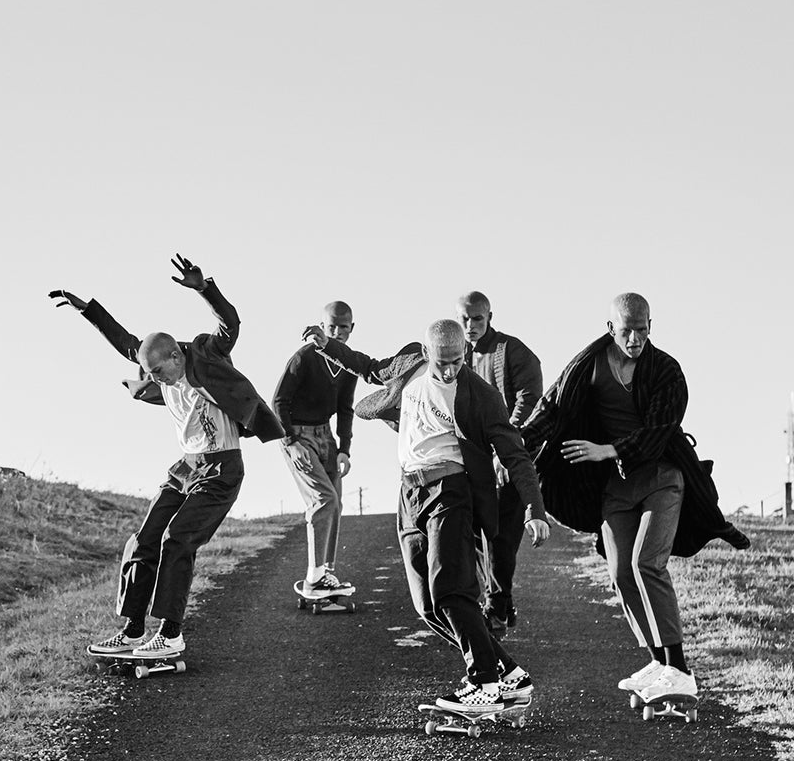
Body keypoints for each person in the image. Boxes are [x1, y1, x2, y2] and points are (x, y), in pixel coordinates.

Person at [49, 255, 285, 664]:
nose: (156, 380)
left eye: (160, 371)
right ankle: (132, 630)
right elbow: (126, 340)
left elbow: (231, 324)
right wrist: (88, 310)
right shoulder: (154, 363)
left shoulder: (208, 355)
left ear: (176, 356)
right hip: (186, 467)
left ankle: (170, 634)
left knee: (178, 539)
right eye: (150, 373)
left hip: (221, 468)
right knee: (144, 538)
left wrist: (204, 288)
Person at [520, 293, 749, 710]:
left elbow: (662, 428)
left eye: (643, 329)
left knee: (647, 562)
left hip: (662, 478)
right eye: (627, 330)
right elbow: (551, 409)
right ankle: (658, 663)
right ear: (611, 329)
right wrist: (517, 449)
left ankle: (679, 670)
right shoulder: (585, 366)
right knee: (621, 572)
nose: (636, 338)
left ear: (650, 325)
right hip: (615, 488)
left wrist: (607, 450)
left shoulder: (666, 370)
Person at [319, 320, 550, 714]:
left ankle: (484, 682)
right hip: (409, 491)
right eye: (442, 363)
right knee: (428, 605)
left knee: (451, 588)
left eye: (457, 362)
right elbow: (369, 367)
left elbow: (515, 453)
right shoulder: (410, 364)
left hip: (451, 491)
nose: (449, 371)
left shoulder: (481, 394)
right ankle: (509, 675)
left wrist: (534, 509)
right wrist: (328, 346)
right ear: (427, 354)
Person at [457, 291, 545, 636]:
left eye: (477, 318)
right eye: (464, 319)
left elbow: (529, 395)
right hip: (473, 461)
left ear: (489, 316)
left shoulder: (511, 350)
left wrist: (507, 443)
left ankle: (497, 606)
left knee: (501, 537)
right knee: (475, 536)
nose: (470, 325)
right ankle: (499, 603)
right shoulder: (457, 354)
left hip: (508, 457)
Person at [271, 301, 361, 599]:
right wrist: (290, 442)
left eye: (343, 327)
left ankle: (327, 572)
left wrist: (344, 449)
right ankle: (314, 578)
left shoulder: (348, 364)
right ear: (321, 327)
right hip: (298, 435)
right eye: (331, 326)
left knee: (336, 502)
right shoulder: (304, 358)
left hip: (326, 436)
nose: (337, 332)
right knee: (323, 499)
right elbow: (279, 401)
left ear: (352, 328)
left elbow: (346, 409)